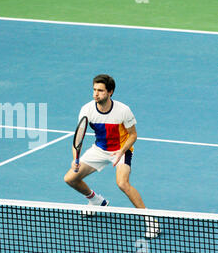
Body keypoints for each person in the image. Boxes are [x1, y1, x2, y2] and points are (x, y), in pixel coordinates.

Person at [64, 74, 159, 238]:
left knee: (122, 183)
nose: (96, 94)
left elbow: (133, 135)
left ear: (110, 92)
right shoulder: (87, 109)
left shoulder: (123, 110)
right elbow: (77, 138)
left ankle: (151, 220)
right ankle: (96, 201)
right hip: (100, 149)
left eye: (100, 91)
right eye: (94, 90)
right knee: (70, 178)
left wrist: (123, 150)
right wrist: (75, 159)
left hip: (121, 149)